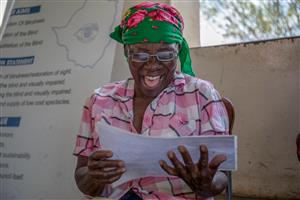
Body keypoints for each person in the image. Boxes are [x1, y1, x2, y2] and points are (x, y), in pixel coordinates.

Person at [73, 2, 229, 200]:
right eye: (140, 54)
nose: (152, 64)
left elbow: (221, 176)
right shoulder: (98, 100)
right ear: (127, 52)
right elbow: (81, 177)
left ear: (178, 50)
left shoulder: (202, 95)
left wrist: (205, 185)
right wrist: (94, 177)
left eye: (165, 54)